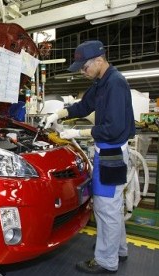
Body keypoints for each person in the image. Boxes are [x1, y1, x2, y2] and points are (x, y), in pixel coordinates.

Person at [44, 40, 135, 274]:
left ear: (98, 61)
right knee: (112, 206)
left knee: (106, 208)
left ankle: (106, 260)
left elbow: (114, 127)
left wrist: (80, 132)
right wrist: (60, 113)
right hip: (106, 150)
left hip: (112, 153)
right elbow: (84, 106)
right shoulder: (102, 81)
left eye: (84, 68)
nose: (83, 72)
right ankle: (118, 248)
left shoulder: (115, 83)